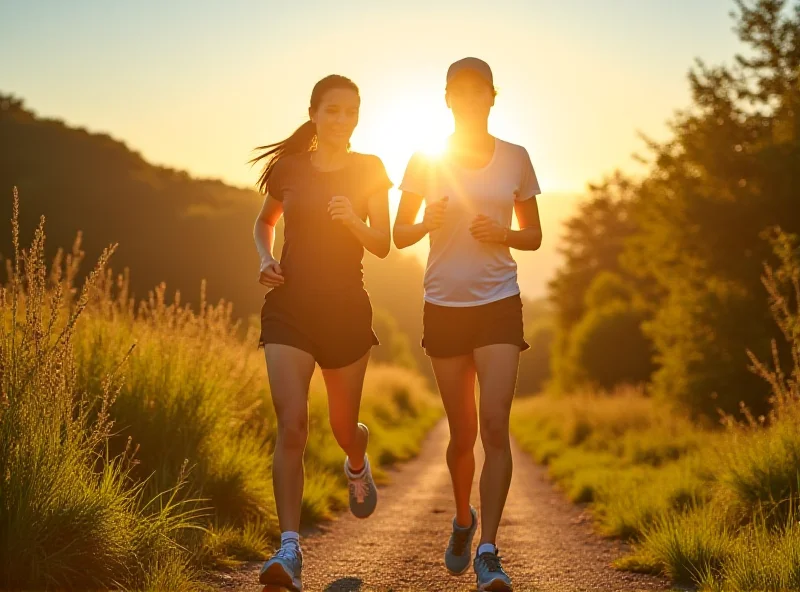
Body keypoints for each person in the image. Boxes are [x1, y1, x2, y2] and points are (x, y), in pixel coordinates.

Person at [393, 57, 543, 592]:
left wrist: (501, 233)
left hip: (499, 302)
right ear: (448, 98)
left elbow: (534, 237)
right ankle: (463, 521)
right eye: (459, 91)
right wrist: (424, 222)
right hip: (444, 304)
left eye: (478, 90)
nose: (469, 98)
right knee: (460, 435)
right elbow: (399, 234)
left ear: (492, 96)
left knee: (494, 425)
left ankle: (489, 550)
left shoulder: (516, 158)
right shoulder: (424, 158)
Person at [251, 74, 392, 592]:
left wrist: (354, 219)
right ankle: (289, 549)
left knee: (341, 424)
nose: (341, 120)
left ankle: (357, 459)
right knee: (291, 425)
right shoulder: (289, 169)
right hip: (289, 308)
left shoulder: (370, 169)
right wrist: (266, 257)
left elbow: (383, 243)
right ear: (314, 113)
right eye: (332, 110)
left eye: (351, 111)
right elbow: (265, 222)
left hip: (346, 312)